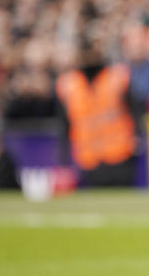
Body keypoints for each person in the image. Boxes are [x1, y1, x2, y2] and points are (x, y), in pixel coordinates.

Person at [55, 36, 137, 187]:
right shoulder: (68, 83)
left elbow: (135, 110)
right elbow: (64, 124)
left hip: (119, 154)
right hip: (88, 159)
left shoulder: (117, 76)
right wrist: (64, 159)